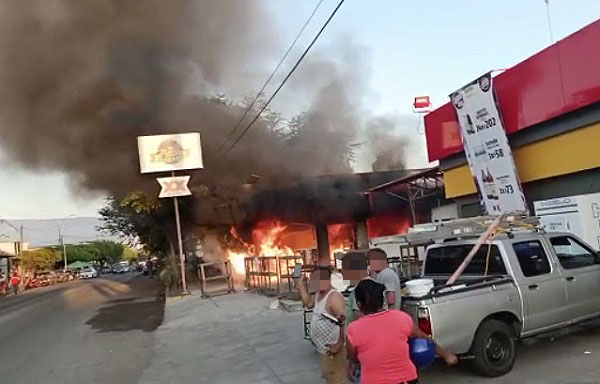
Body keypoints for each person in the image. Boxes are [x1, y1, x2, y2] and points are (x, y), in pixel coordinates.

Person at [347, 279, 458, 384]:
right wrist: (446, 355)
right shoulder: (401, 318)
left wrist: (351, 366)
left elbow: (354, 358)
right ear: (382, 300)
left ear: (359, 304)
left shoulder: (353, 329)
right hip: (406, 380)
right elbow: (424, 338)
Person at [297, 266, 346, 384]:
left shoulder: (334, 297)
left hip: (333, 349)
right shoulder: (319, 293)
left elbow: (344, 321)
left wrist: (339, 344)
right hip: (324, 349)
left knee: (337, 378)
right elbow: (308, 304)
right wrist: (301, 285)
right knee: (329, 376)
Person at [340, 250, 371, 383]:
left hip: (363, 355)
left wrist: (351, 360)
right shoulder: (372, 286)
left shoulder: (360, 291)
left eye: (343, 268)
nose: (341, 272)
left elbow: (362, 325)